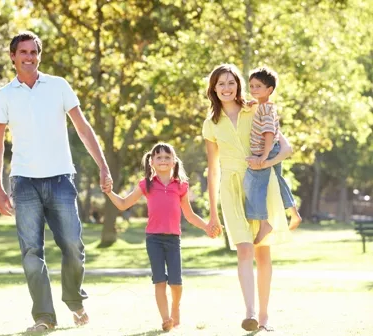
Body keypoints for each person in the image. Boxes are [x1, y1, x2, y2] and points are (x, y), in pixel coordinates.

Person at [0, 31, 112, 332]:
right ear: (13, 57)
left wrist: (103, 166)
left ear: (39, 55)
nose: (29, 57)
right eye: (23, 52)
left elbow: (83, 129)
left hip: (60, 179)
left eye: (34, 52)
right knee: (32, 252)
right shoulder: (5, 95)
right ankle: (44, 316)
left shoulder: (58, 86)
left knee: (72, 244)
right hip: (24, 182)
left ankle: (74, 298)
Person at [203, 64, 293, 332]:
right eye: (221, 84)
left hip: (260, 185)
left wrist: (266, 163)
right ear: (214, 89)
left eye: (231, 82)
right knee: (244, 248)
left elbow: (286, 148)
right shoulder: (211, 124)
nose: (227, 88)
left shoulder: (255, 109)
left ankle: (264, 318)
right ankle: (250, 312)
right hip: (230, 189)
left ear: (238, 85)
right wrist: (211, 212)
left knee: (262, 253)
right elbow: (212, 169)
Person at [104, 142, 217, 332]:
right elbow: (123, 204)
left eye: (167, 157)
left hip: (173, 240)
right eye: (159, 157)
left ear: (174, 161)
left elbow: (189, 215)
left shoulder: (180, 186)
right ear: (152, 161)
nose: (163, 160)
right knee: (159, 281)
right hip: (153, 239)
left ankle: (175, 307)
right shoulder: (146, 184)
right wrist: (109, 192)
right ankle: (166, 319)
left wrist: (206, 227)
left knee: (176, 282)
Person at [244, 66, 302, 245]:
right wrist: (255, 103)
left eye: (258, 87)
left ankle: (264, 223)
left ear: (269, 90)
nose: (253, 89)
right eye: (251, 86)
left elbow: (268, 133)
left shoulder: (265, 110)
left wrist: (265, 156)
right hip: (272, 149)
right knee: (277, 179)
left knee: (255, 187)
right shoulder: (264, 106)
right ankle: (294, 213)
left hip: (266, 150)